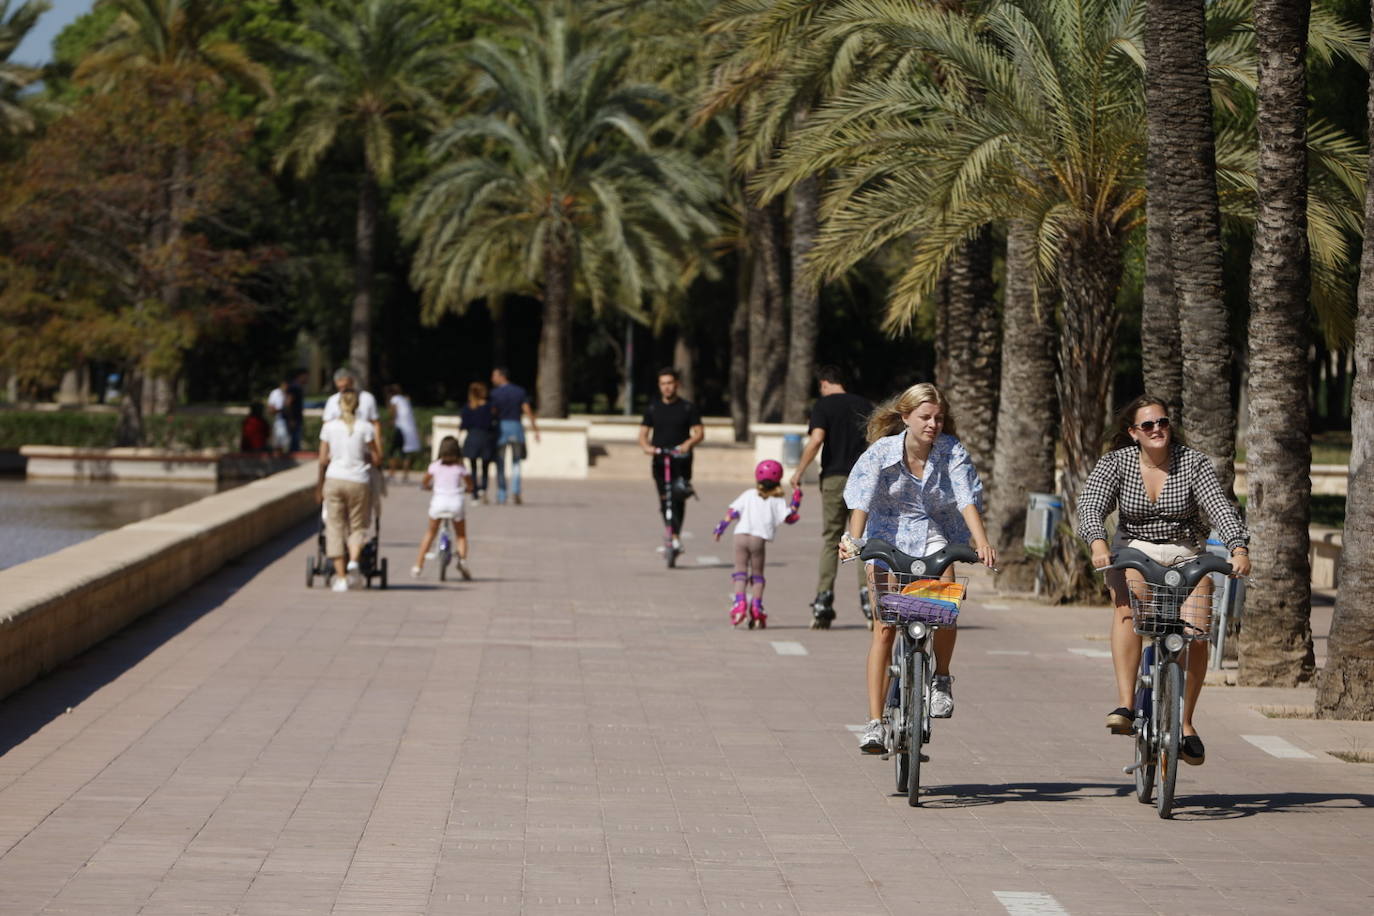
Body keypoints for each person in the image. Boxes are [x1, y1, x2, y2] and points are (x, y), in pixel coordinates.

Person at [1077, 394, 1250, 767]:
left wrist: (1238, 548)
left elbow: (1219, 506)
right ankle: (1125, 703)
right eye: (1148, 425)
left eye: (1163, 422)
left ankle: (1186, 723)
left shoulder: (1193, 463)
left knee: (1198, 629)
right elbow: (1090, 505)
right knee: (1129, 607)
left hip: (1186, 550)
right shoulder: (1117, 463)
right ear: (1134, 433)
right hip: (1133, 550)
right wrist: (1097, 543)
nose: (1158, 430)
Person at [838, 383, 996, 753]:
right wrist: (854, 541)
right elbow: (861, 501)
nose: (933, 424)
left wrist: (981, 542)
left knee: (946, 606)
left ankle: (940, 678)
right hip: (885, 535)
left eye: (938, 418)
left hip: (934, 533)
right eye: (925, 417)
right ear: (905, 416)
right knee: (884, 629)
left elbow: (966, 497)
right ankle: (875, 723)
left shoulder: (951, 451)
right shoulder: (882, 452)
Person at [788, 365, 873, 628]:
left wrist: (799, 471)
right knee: (862, 539)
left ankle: (824, 599)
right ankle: (869, 599)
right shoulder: (865, 405)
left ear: (825, 383)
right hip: (863, 479)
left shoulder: (824, 406)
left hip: (835, 478)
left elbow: (816, 440)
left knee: (831, 539)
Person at [712, 460, 803, 628]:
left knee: (740, 573)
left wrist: (720, 529)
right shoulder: (778, 500)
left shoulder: (748, 494)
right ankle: (756, 607)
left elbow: (732, 512)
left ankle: (739, 605)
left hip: (739, 536)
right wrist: (796, 500)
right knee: (757, 575)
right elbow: (790, 518)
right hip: (757, 540)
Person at [316, 390, 380, 592]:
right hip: (358, 480)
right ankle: (353, 560)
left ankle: (341, 578)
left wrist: (319, 487)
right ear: (358, 406)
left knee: (334, 527)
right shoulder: (365, 427)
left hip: (334, 479)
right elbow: (377, 458)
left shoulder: (329, 427)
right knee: (357, 525)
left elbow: (323, 459)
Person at [638, 367, 705, 553]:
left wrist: (688, 443)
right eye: (663, 384)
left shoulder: (687, 407)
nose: (666, 387)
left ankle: (675, 536)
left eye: (670, 383)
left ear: (677, 384)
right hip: (660, 459)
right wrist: (646, 447)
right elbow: (643, 434)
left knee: (679, 497)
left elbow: (699, 433)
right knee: (664, 499)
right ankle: (671, 534)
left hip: (681, 459)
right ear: (659, 386)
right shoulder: (653, 408)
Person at [412, 435, 472, 580]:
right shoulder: (460, 467)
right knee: (461, 535)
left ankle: (418, 565)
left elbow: (425, 481)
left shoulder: (435, 466)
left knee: (430, 533)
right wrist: (468, 489)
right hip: (455, 503)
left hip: (438, 503)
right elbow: (470, 485)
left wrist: (427, 487)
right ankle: (462, 560)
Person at [489, 366, 541, 505]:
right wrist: (536, 429)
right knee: (516, 462)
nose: (492, 379)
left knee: (500, 463)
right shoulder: (519, 391)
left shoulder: (495, 394)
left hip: (501, 429)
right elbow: (527, 410)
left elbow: (492, 412)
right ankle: (516, 490)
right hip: (517, 428)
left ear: (502, 376)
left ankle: (501, 494)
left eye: (494, 376)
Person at [461, 381, 498, 503]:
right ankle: (483, 488)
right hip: (485, 437)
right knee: (485, 466)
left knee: (473, 468)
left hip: (472, 437)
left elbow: (463, 425)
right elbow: (493, 423)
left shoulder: (468, 407)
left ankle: (474, 493)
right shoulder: (489, 407)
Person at [384, 383, 422, 484]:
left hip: (400, 428)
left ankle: (392, 474)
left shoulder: (394, 399)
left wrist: (389, 422)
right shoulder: (405, 399)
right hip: (409, 430)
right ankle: (405, 475)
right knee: (404, 453)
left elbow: (393, 413)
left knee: (392, 451)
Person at [266, 379, 292, 453]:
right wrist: (280, 410)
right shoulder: (275, 393)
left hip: (286, 420)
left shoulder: (288, 394)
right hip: (278, 420)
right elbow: (270, 408)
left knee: (285, 442)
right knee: (278, 441)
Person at [286, 369, 307, 452]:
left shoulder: (297, 387)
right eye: (305, 376)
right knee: (294, 443)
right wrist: (291, 419)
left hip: (296, 418)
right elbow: (288, 403)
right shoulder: (295, 387)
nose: (306, 379)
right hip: (294, 419)